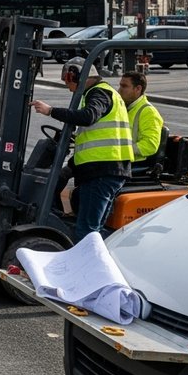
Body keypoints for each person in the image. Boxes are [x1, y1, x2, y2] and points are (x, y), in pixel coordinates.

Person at [29, 57, 133, 242]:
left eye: (67, 82)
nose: (68, 88)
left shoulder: (99, 93)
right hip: (105, 169)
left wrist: (51, 111)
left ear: (74, 76)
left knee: (86, 231)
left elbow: (88, 117)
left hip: (102, 170)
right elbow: (94, 134)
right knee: (93, 230)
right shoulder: (99, 93)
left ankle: (85, 267)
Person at [118, 71, 165, 164]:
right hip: (123, 161)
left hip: (134, 163)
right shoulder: (125, 108)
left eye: (124, 86)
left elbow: (150, 145)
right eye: (120, 86)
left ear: (138, 89)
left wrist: (120, 151)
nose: (119, 90)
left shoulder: (148, 112)